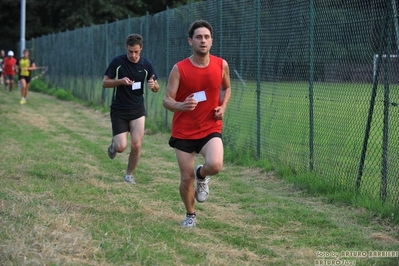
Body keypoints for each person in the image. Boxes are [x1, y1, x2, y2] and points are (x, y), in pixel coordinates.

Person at [163, 20, 232, 227]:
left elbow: (227, 88)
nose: (203, 41)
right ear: (190, 41)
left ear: (211, 41)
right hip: (184, 131)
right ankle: (190, 214)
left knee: (216, 165)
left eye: (207, 37)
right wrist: (182, 106)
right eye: (199, 37)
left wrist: (224, 106)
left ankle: (202, 174)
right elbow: (167, 100)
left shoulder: (221, 65)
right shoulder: (180, 68)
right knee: (186, 179)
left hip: (210, 127)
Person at [102, 33, 160, 184]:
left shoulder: (147, 65)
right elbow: (105, 83)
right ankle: (114, 145)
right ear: (126, 48)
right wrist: (120, 81)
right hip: (119, 110)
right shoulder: (118, 62)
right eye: (130, 51)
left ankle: (129, 176)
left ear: (141, 48)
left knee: (136, 144)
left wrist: (154, 86)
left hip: (137, 110)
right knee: (121, 147)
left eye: (136, 52)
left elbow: (156, 87)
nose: (133, 55)